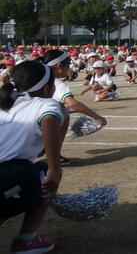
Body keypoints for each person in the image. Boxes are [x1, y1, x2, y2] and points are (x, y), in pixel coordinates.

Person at [0, 61, 63, 253]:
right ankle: (27, 240)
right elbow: (49, 120)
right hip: (5, 176)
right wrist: (55, 168)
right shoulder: (46, 103)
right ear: (47, 89)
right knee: (45, 171)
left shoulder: (6, 102)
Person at [40, 50, 107, 166]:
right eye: (68, 65)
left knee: (59, 107)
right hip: (33, 129)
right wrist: (97, 117)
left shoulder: (35, 77)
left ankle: (42, 147)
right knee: (64, 112)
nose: (69, 68)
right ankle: (54, 155)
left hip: (17, 122)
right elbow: (72, 104)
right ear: (59, 65)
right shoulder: (56, 83)